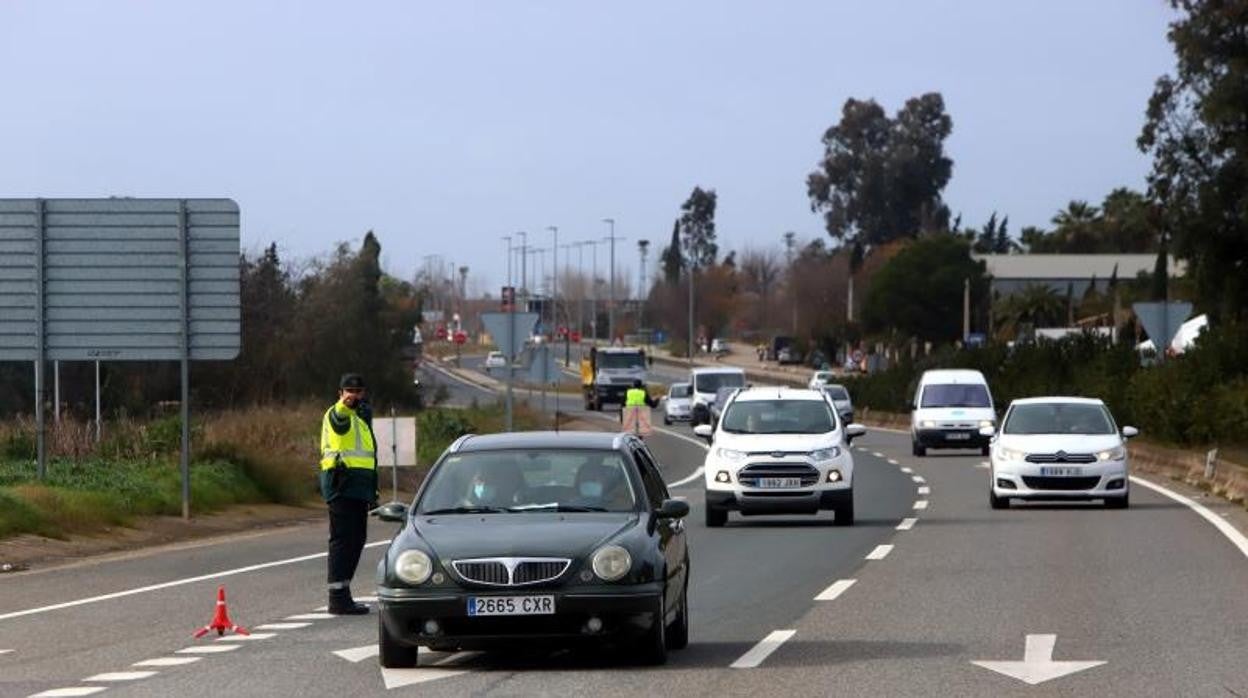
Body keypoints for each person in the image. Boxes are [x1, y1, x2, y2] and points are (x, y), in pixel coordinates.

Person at [319, 373, 378, 615]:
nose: (353, 395)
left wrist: (372, 491)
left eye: (358, 391)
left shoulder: (362, 417)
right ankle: (338, 597)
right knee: (343, 540)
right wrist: (346, 406)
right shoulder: (338, 413)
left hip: (358, 487)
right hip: (341, 484)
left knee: (357, 539)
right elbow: (339, 418)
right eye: (348, 391)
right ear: (340, 393)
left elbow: (368, 458)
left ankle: (343, 592)